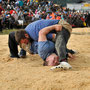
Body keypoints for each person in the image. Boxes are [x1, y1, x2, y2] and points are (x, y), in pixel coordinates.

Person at [8, 19, 75, 67]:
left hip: (61, 25)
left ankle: (63, 60)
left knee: (56, 44)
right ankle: (18, 54)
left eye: (25, 41)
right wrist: (23, 52)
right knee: (12, 35)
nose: (25, 43)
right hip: (47, 33)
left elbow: (54, 37)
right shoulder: (25, 32)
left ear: (26, 35)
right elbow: (26, 41)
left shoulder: (35, 35)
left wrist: (64, 51)